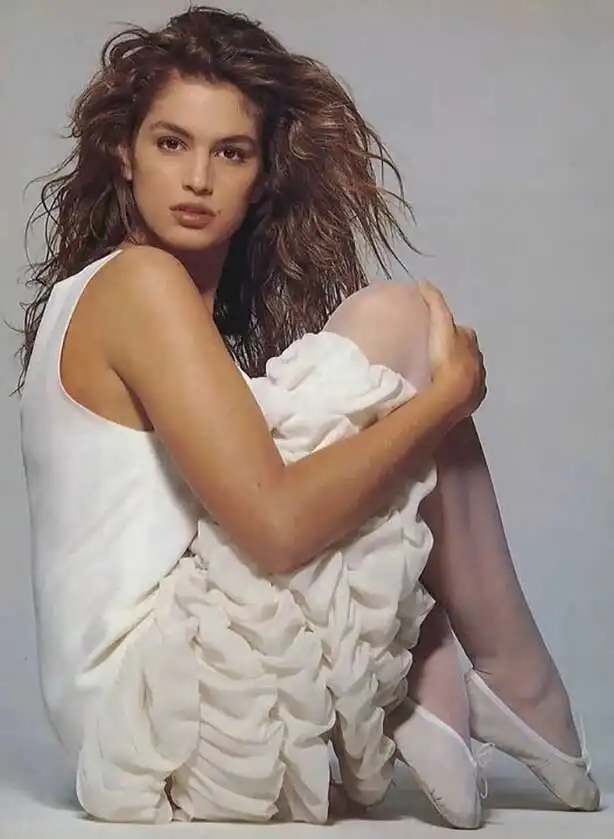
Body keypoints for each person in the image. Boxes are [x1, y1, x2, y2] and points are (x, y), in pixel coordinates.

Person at [14, 4, 599, 828]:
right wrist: (445, 402)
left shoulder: (114, 298)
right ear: (125, 153)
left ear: (262, 176)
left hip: (138, 726)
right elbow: (279, 527)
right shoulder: (139, 286)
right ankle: (499, 678)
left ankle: (450, 679)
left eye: (231, 152)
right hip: (172, 714)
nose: (197, 178)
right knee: (398, 326)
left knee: (373, 382)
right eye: (171, 143)